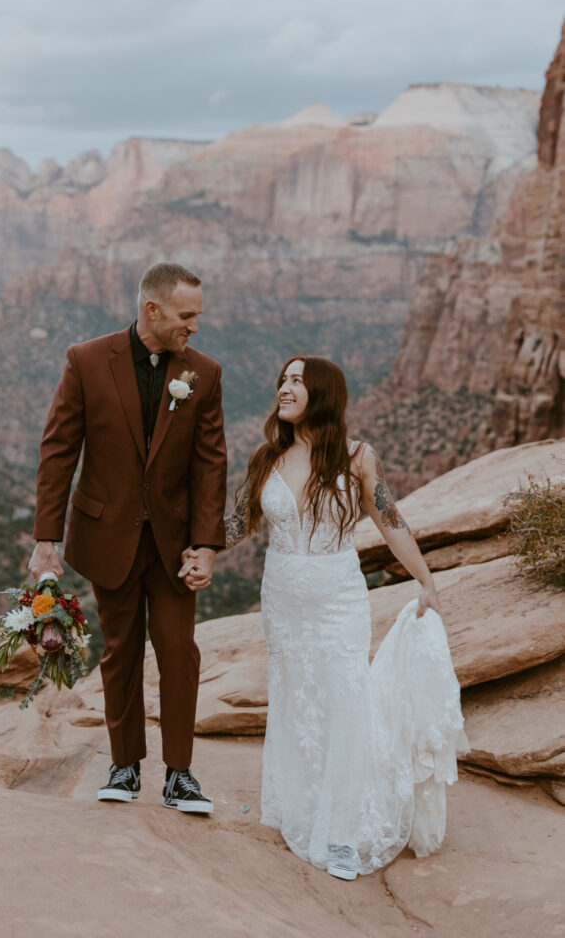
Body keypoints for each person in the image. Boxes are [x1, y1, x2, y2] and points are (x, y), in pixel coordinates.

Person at [182, 355, 467, 877]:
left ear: (323, 393)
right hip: (283, 600)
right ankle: (301, 804)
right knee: (295, 698)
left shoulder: (358, 457)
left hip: (338, 598)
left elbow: (391, 519)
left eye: (296, 381)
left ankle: (343, 832)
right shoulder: (268, 456)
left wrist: (425, 580)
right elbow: (238, 520)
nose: (283, 388)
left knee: (343, 699)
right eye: (282, 380)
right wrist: (201, 551)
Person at [30, 262, 227, 813]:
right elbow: (58, 450)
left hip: (175, 547)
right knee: (120, 652)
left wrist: (207, 545)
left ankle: (180, 774)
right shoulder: (86, 360)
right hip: (106, 535)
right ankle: (125, 764)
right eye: (187, 316)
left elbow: (211, 465)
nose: (195, 327)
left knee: (177, 652)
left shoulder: (205, 374)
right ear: (152, 311)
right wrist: (47, 537)